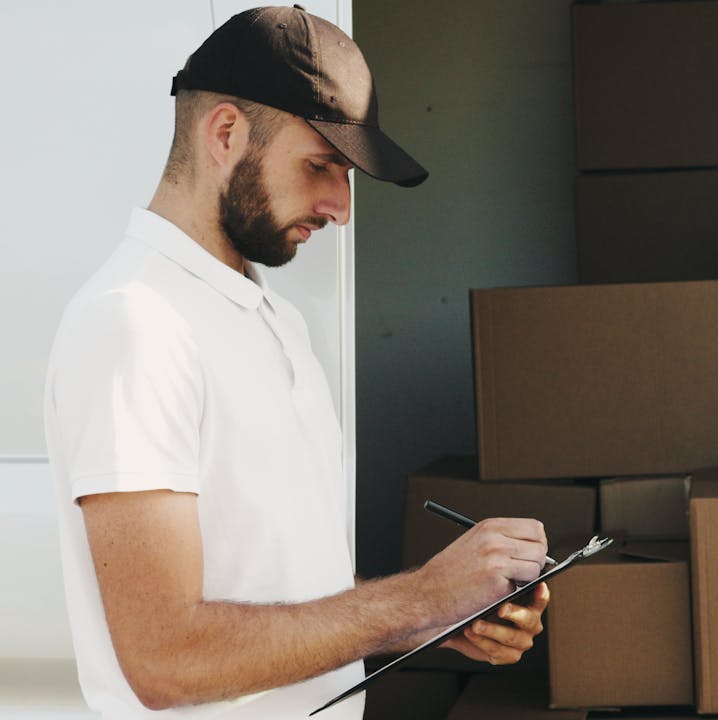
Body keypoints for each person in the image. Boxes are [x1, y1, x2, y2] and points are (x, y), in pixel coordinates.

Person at [43, 6, 550, 718]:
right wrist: (420, 596)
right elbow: (163, 659)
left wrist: (439, 618)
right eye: (321, 166)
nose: (341, 207)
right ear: (225, 133)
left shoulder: (275, 320)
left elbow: (286, 580)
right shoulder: (135, 325)